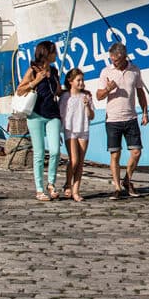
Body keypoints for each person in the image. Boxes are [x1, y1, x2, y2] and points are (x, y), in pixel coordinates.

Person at [96, 42, 149, 200]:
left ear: (124, 56)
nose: (114, 62)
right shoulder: (106, 71)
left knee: (136, 151)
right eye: (112, 59)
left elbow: (140, 93)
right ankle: (117, 187)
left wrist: (145, 112)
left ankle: (127, 179)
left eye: (117, 60)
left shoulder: (135, 70)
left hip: (131, 117)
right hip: (112, 119)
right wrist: (108, 89)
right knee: (115, 155)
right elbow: (98, 96)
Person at [15, 40, 63, 201]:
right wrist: (36, 81)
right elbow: (20, 90)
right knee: (39, 153)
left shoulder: (55, 71)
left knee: (56, 150)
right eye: (54, 52)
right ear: (47, 54)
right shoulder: (33, 70)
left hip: (53, 114)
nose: (56, 54)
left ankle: (51, 183)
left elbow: (57, 91)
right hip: (35, 114)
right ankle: (39, 189)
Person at [60, 68, 95, 202]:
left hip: (83, 129)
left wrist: (87, 106)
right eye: (78, 80)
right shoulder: (65, 97)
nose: (81, 83)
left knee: (80, 163)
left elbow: (91, 116)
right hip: (70, 130)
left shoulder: (86, 96)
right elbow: (62, 115)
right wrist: (59, 132)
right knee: (74, 160)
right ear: (70, 81)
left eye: (82, 80)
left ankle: (76, 191)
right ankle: (68, 182)